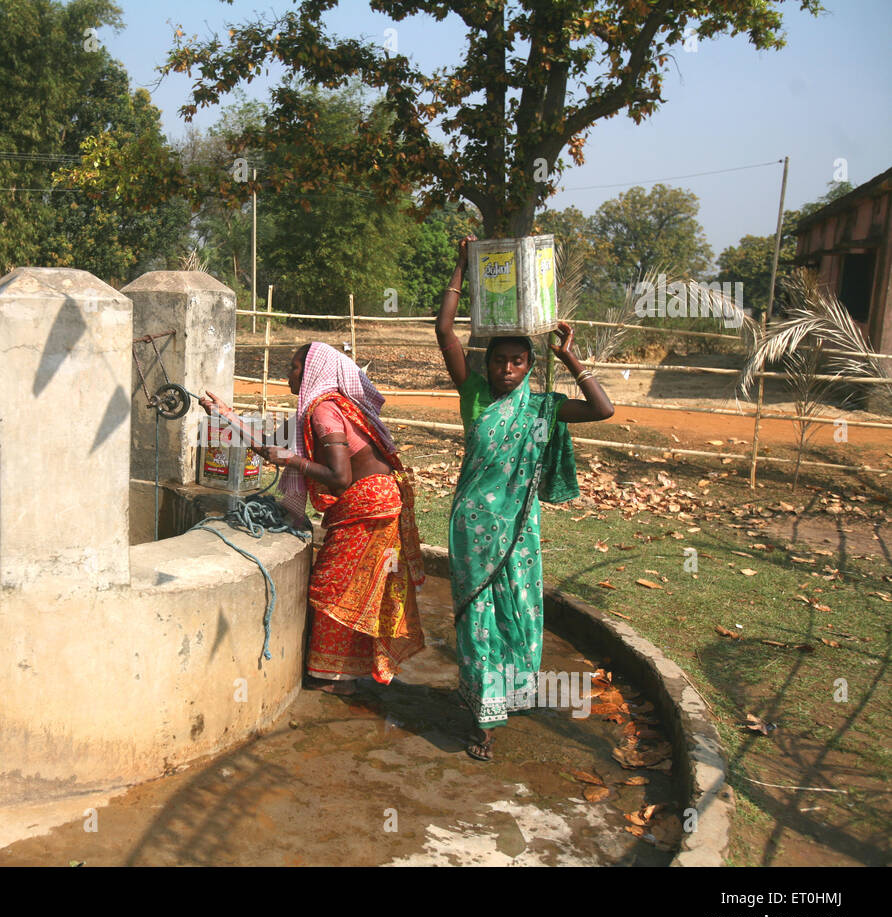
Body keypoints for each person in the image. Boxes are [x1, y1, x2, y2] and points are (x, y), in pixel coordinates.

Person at [437, 237, 614, 760]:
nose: (508, 369)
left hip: (519, 528)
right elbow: (445, 331)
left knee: (516, 609)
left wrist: (572, 357)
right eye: (500, 361)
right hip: (474, 526)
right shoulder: (474, 395)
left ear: (529, 367)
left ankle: (506, 694)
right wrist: (461, 266)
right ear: (487, 364)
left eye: (518, 362)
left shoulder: (544, 407)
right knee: (477, 616)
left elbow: (602, 410)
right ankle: (484, 718)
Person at [198, 342, 426, 694]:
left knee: (330, 588)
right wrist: (225, 415)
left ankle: (331, 677)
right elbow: (271, 444)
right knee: (352, 587)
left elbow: (339, 477)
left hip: (367, 506)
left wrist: (293, 461)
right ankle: (342, 673)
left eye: (293, 366)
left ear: (311, 372)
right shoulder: (322, 410)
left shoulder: (324, 412)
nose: (287, 373)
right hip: (373, 504)